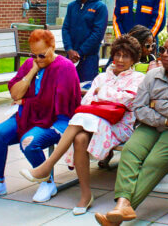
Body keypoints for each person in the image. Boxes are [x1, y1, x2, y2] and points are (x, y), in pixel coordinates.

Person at [19, 35, 145, 215]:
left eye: (126, 56)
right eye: (117, 55)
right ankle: (85, 196)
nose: (120, 60)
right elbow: (86, 101)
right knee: (79, 138)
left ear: (134, 58)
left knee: (82, 119)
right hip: (92, 122)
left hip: (119, 126)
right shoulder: (102, 77)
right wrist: (107, 94)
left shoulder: (138, 78)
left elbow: (128, 100)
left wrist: (102, 93)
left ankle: (47, 167)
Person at [95, 33, 168, 226]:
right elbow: (139, 108)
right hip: (154, 125)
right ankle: (122, 205)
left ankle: (120, 212)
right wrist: (166, 119)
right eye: (162, 49)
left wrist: (155, 104)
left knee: (154, 160)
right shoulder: (152, 75)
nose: (164, 54)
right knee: (130, 152)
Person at [0, 30, 81, 203]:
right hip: (29, 115)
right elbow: (15, 94)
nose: (38, 59)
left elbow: (55, 103)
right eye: (33, 55)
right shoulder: (30, 64)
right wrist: (33, 70)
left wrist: (26, 102)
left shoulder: (65, 67)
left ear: (52, 47)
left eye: (42, 55)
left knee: (29, 142)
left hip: (57, 120)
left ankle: (47, 182)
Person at [63, 0, 109, 83]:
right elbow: (65, 29)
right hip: (70, 57)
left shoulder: (100, 7)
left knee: (85, 91)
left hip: (89, 59)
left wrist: (80, 52)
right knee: (67, 88)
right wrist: (69, 50)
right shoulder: (72, 6)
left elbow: (97, 34)